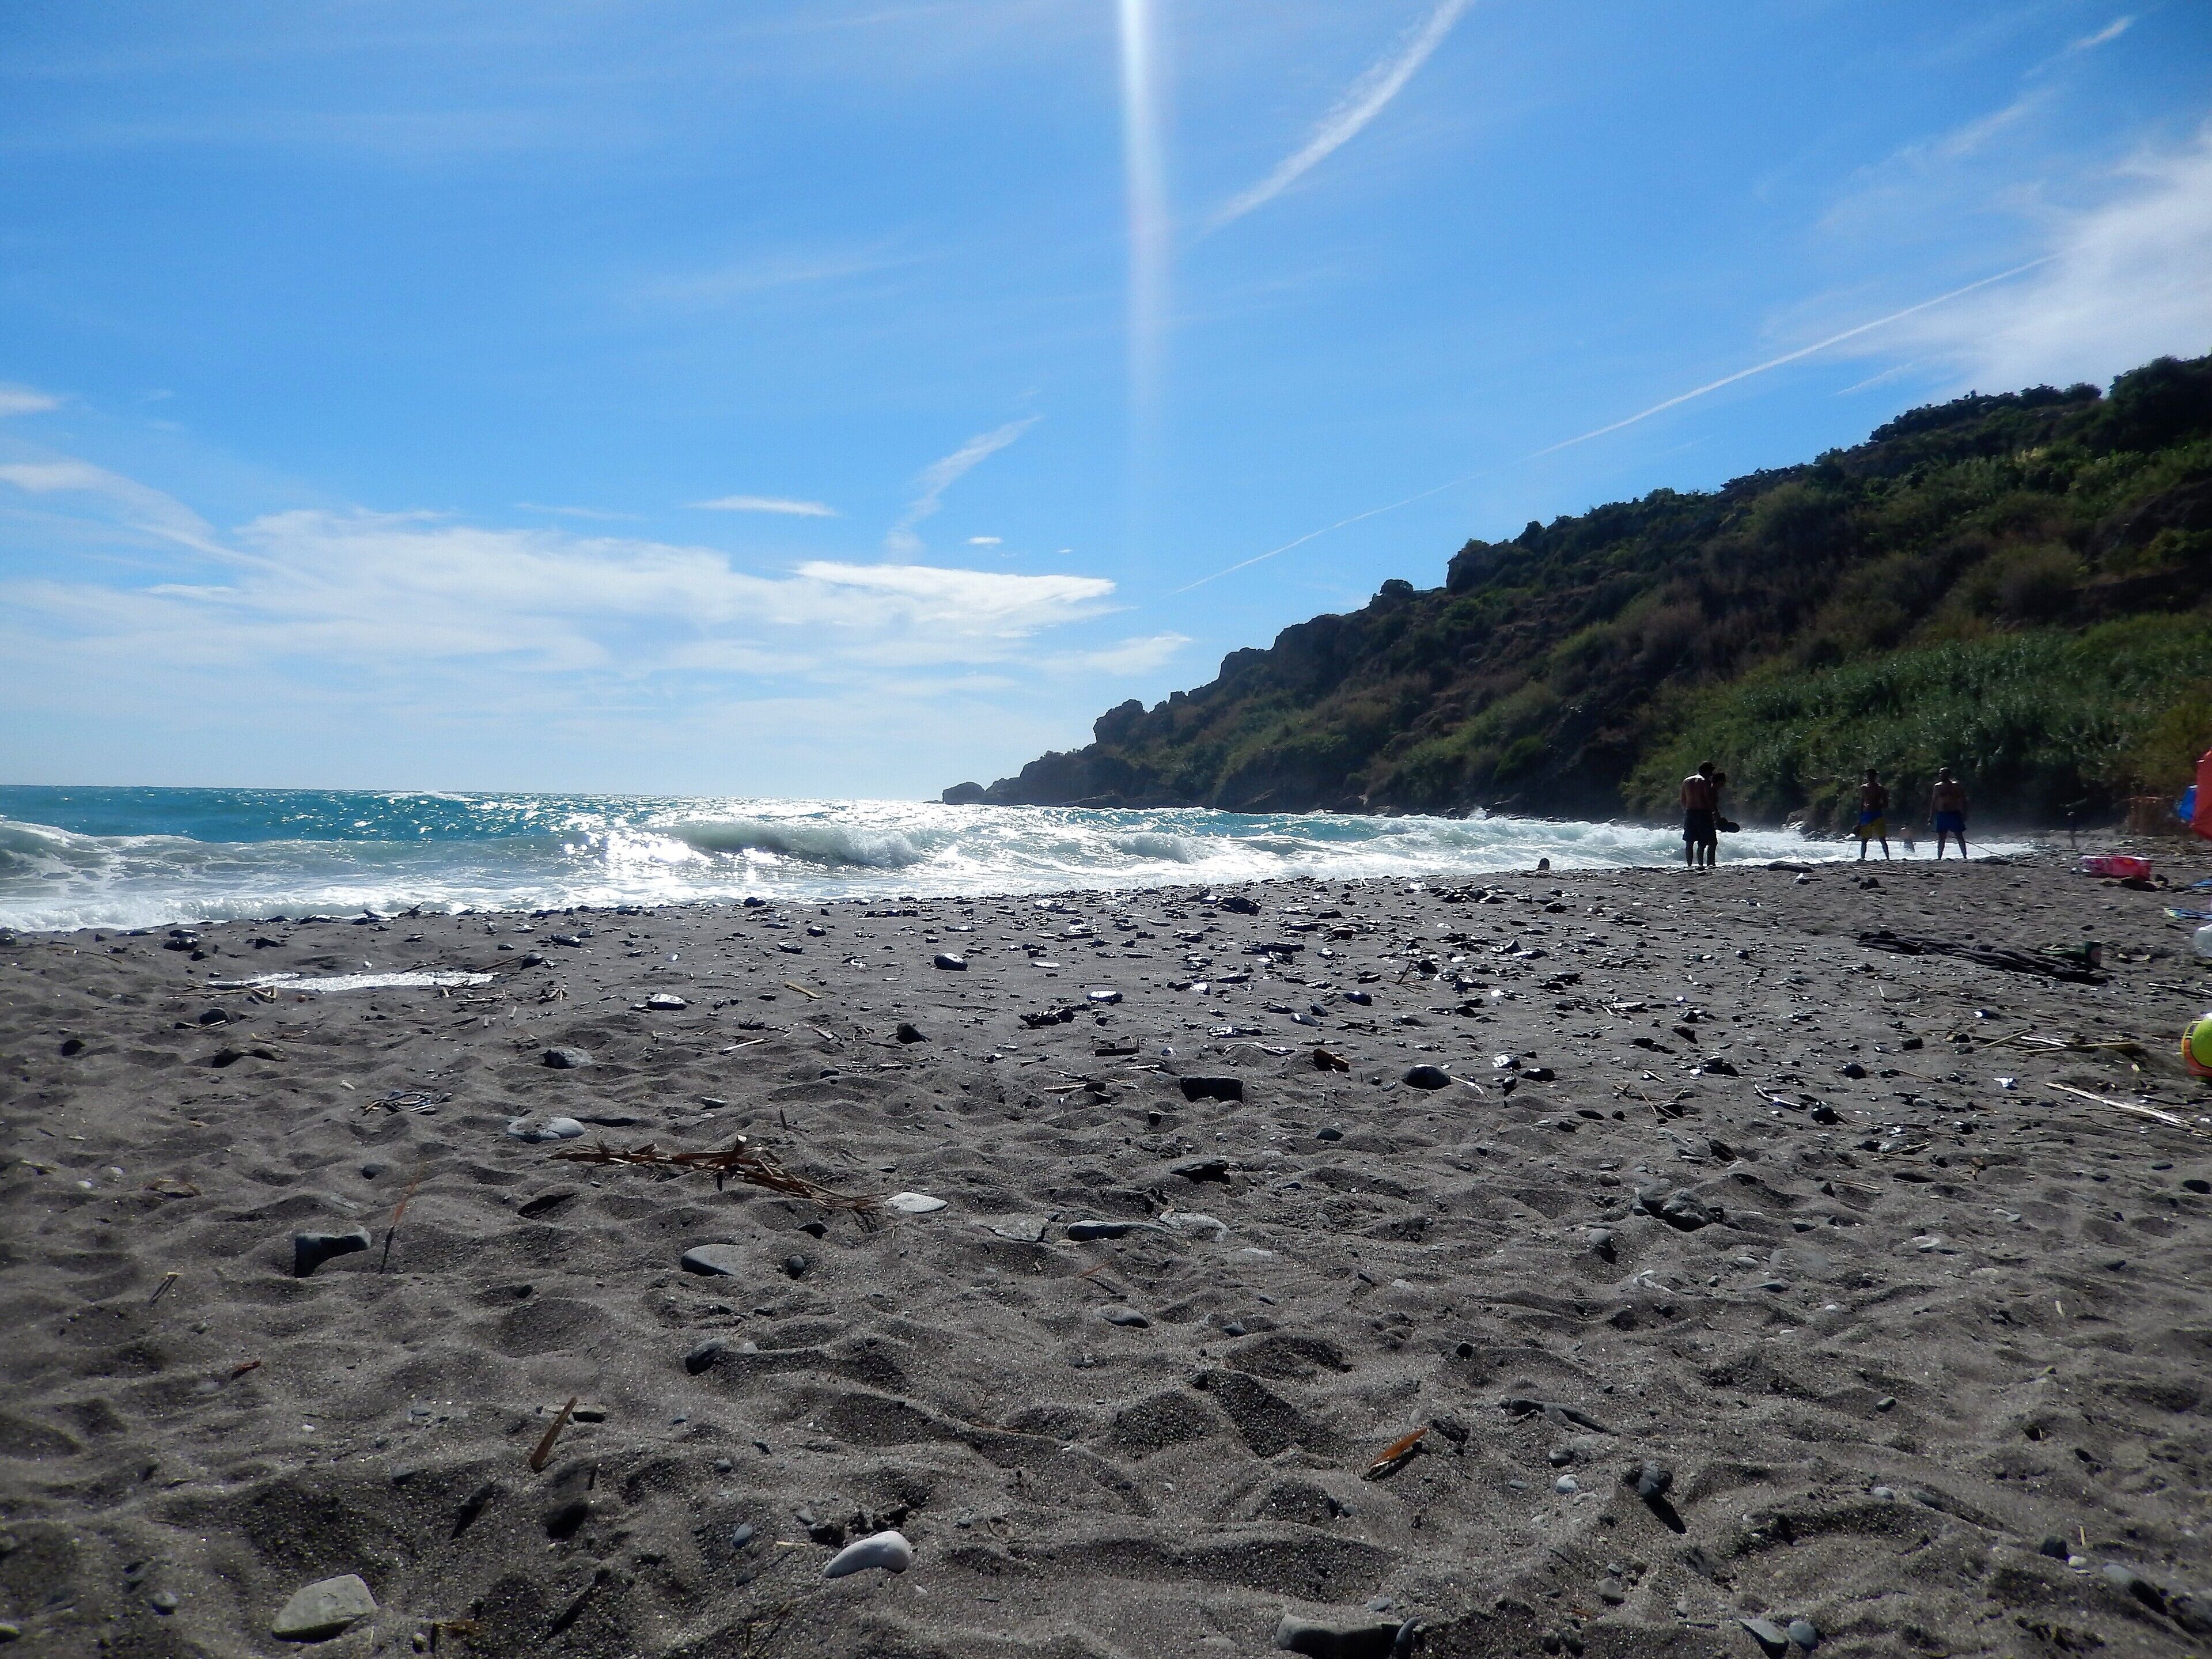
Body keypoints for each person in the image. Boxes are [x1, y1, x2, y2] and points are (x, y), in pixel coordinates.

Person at [1680, 761, 1719, 869]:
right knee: (1708, 840)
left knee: (1690, 841)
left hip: (1690, 812)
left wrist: (1688, 809)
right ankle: (1704, 864)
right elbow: (1708, 799)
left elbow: (1683, 799)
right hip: (1703, 812)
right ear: (1707, 771)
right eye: (1711, 772)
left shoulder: (1686, 781)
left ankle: (1689, 865)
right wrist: (1715, 813)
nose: (1712, 774)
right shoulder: (1705, 782)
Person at [1931, 768, 1969, 859]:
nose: (1942, 775)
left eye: (1944, 773)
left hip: (1954, 813)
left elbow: (1963, 800)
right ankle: (1939, 857)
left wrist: (1965, 813)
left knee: (1959, 835)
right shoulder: (1937, 787)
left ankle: (1964, 856)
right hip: (1942, 814)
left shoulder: (1955, 786)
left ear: (1948, 774)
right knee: (1941, 837)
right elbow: (1934, 802)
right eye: (1941, 774)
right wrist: (1931, 817)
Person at [1857, 768, 1891, 861]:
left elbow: (1886, 804)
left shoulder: (1880, 788)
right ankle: (1862, 858)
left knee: (1882, 838)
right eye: (1868, 775)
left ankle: (1888, 858)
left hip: (1876, 813)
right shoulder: (1864, 788)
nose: (1869, 777)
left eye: (1870, 775)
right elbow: (1862, 802)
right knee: (1864, 839)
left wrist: (1876, 805)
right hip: (1867, 813)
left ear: (1875, 776)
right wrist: (1860, 819)